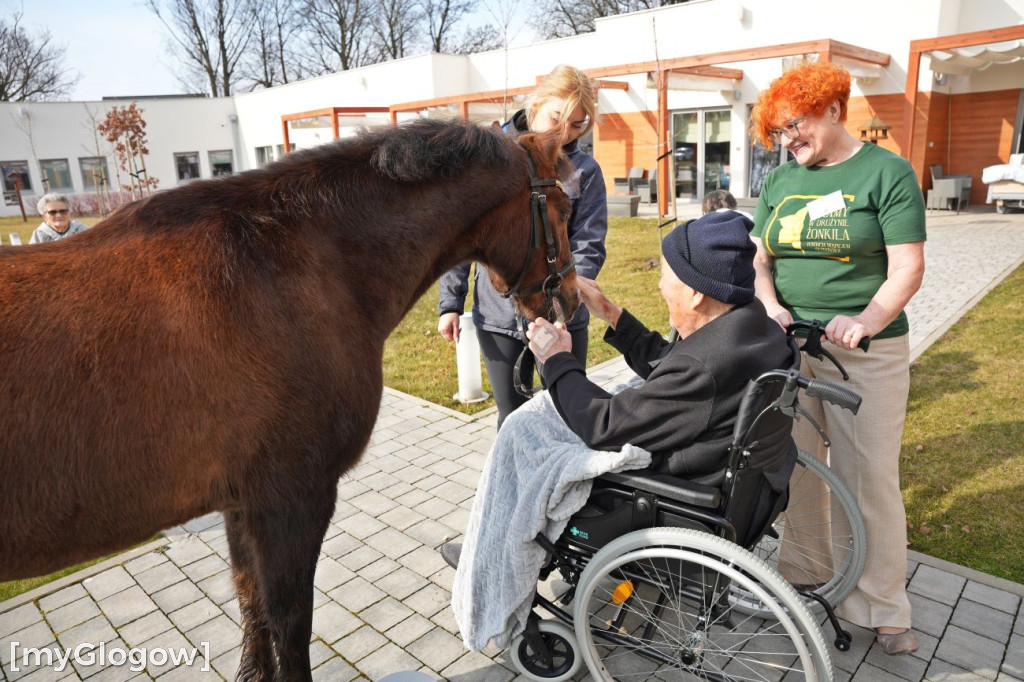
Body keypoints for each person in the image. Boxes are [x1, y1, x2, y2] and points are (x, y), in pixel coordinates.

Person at [748, 61, 926, 655]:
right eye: (778, 131)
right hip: (789, 346)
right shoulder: (778, 183)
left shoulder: (887, 173)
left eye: (794, 124)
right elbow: (760, 260)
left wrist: (867, 320)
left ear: (831, 108)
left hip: (865, 355)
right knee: (795, 468)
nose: (786, 140)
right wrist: (768, 304)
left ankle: (881, 604)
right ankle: (806, 578)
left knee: (868, 477)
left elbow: (907, 267)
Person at [526, 210, 792, 482]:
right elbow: (675, 365)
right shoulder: (757, 326)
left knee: (527, 439)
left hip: (678, 493)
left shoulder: (703, 368)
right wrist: (611, 314)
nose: (660, 285)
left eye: (667, 278)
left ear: (696, 295)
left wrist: (557, 359)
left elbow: (604, 425)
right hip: (746, 482)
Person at [437, 64, 608, 429]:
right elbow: (462, 235)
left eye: (578, 125)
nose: (564, 132)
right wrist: (450, 303)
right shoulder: (490, 159)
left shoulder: (585, 170)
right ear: (535, 105)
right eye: (557, 118)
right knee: (512, 420)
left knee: (567, 416)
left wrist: (570, 293)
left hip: (563, 317)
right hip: (500, 320)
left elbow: (589, 242)